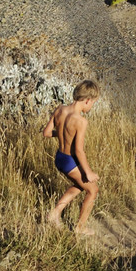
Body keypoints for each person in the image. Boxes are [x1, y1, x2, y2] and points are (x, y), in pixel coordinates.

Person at [43, 80, 102, 235]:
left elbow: (47, 133)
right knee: (93, 190)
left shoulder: (60, 109)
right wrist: (88, 172)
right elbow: (79, 150)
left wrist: (61, 134)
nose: (91, 107)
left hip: (60, 157)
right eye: (93, 103)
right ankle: (80, 227)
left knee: (80, 186)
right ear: (87, 100)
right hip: (70, 159)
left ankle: (55, 213)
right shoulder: (81, 121)